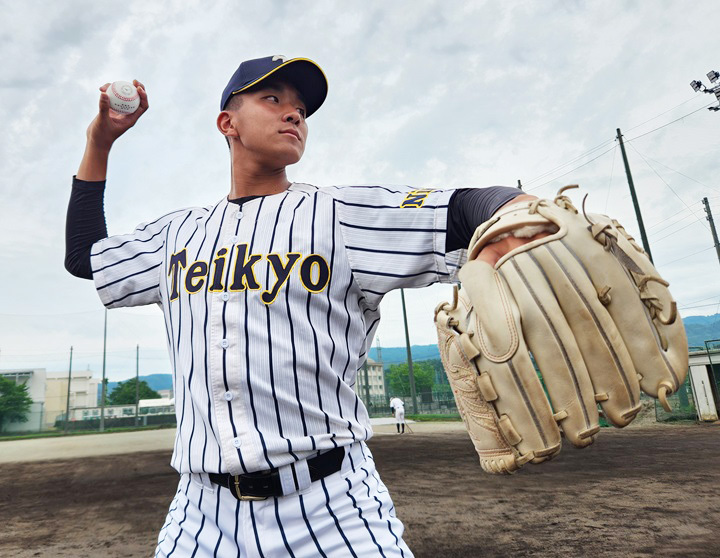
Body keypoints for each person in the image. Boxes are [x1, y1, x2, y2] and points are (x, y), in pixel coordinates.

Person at [65, 55, 542, 557]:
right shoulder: (176, 235)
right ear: (227, 122)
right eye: (273, 100)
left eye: (301, 109)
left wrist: (513, 211)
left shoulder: (341, 214)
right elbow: (84, 257)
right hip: (200, 514)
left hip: (331, 503)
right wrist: (100, 142)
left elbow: (467, 207)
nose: (294, 114)